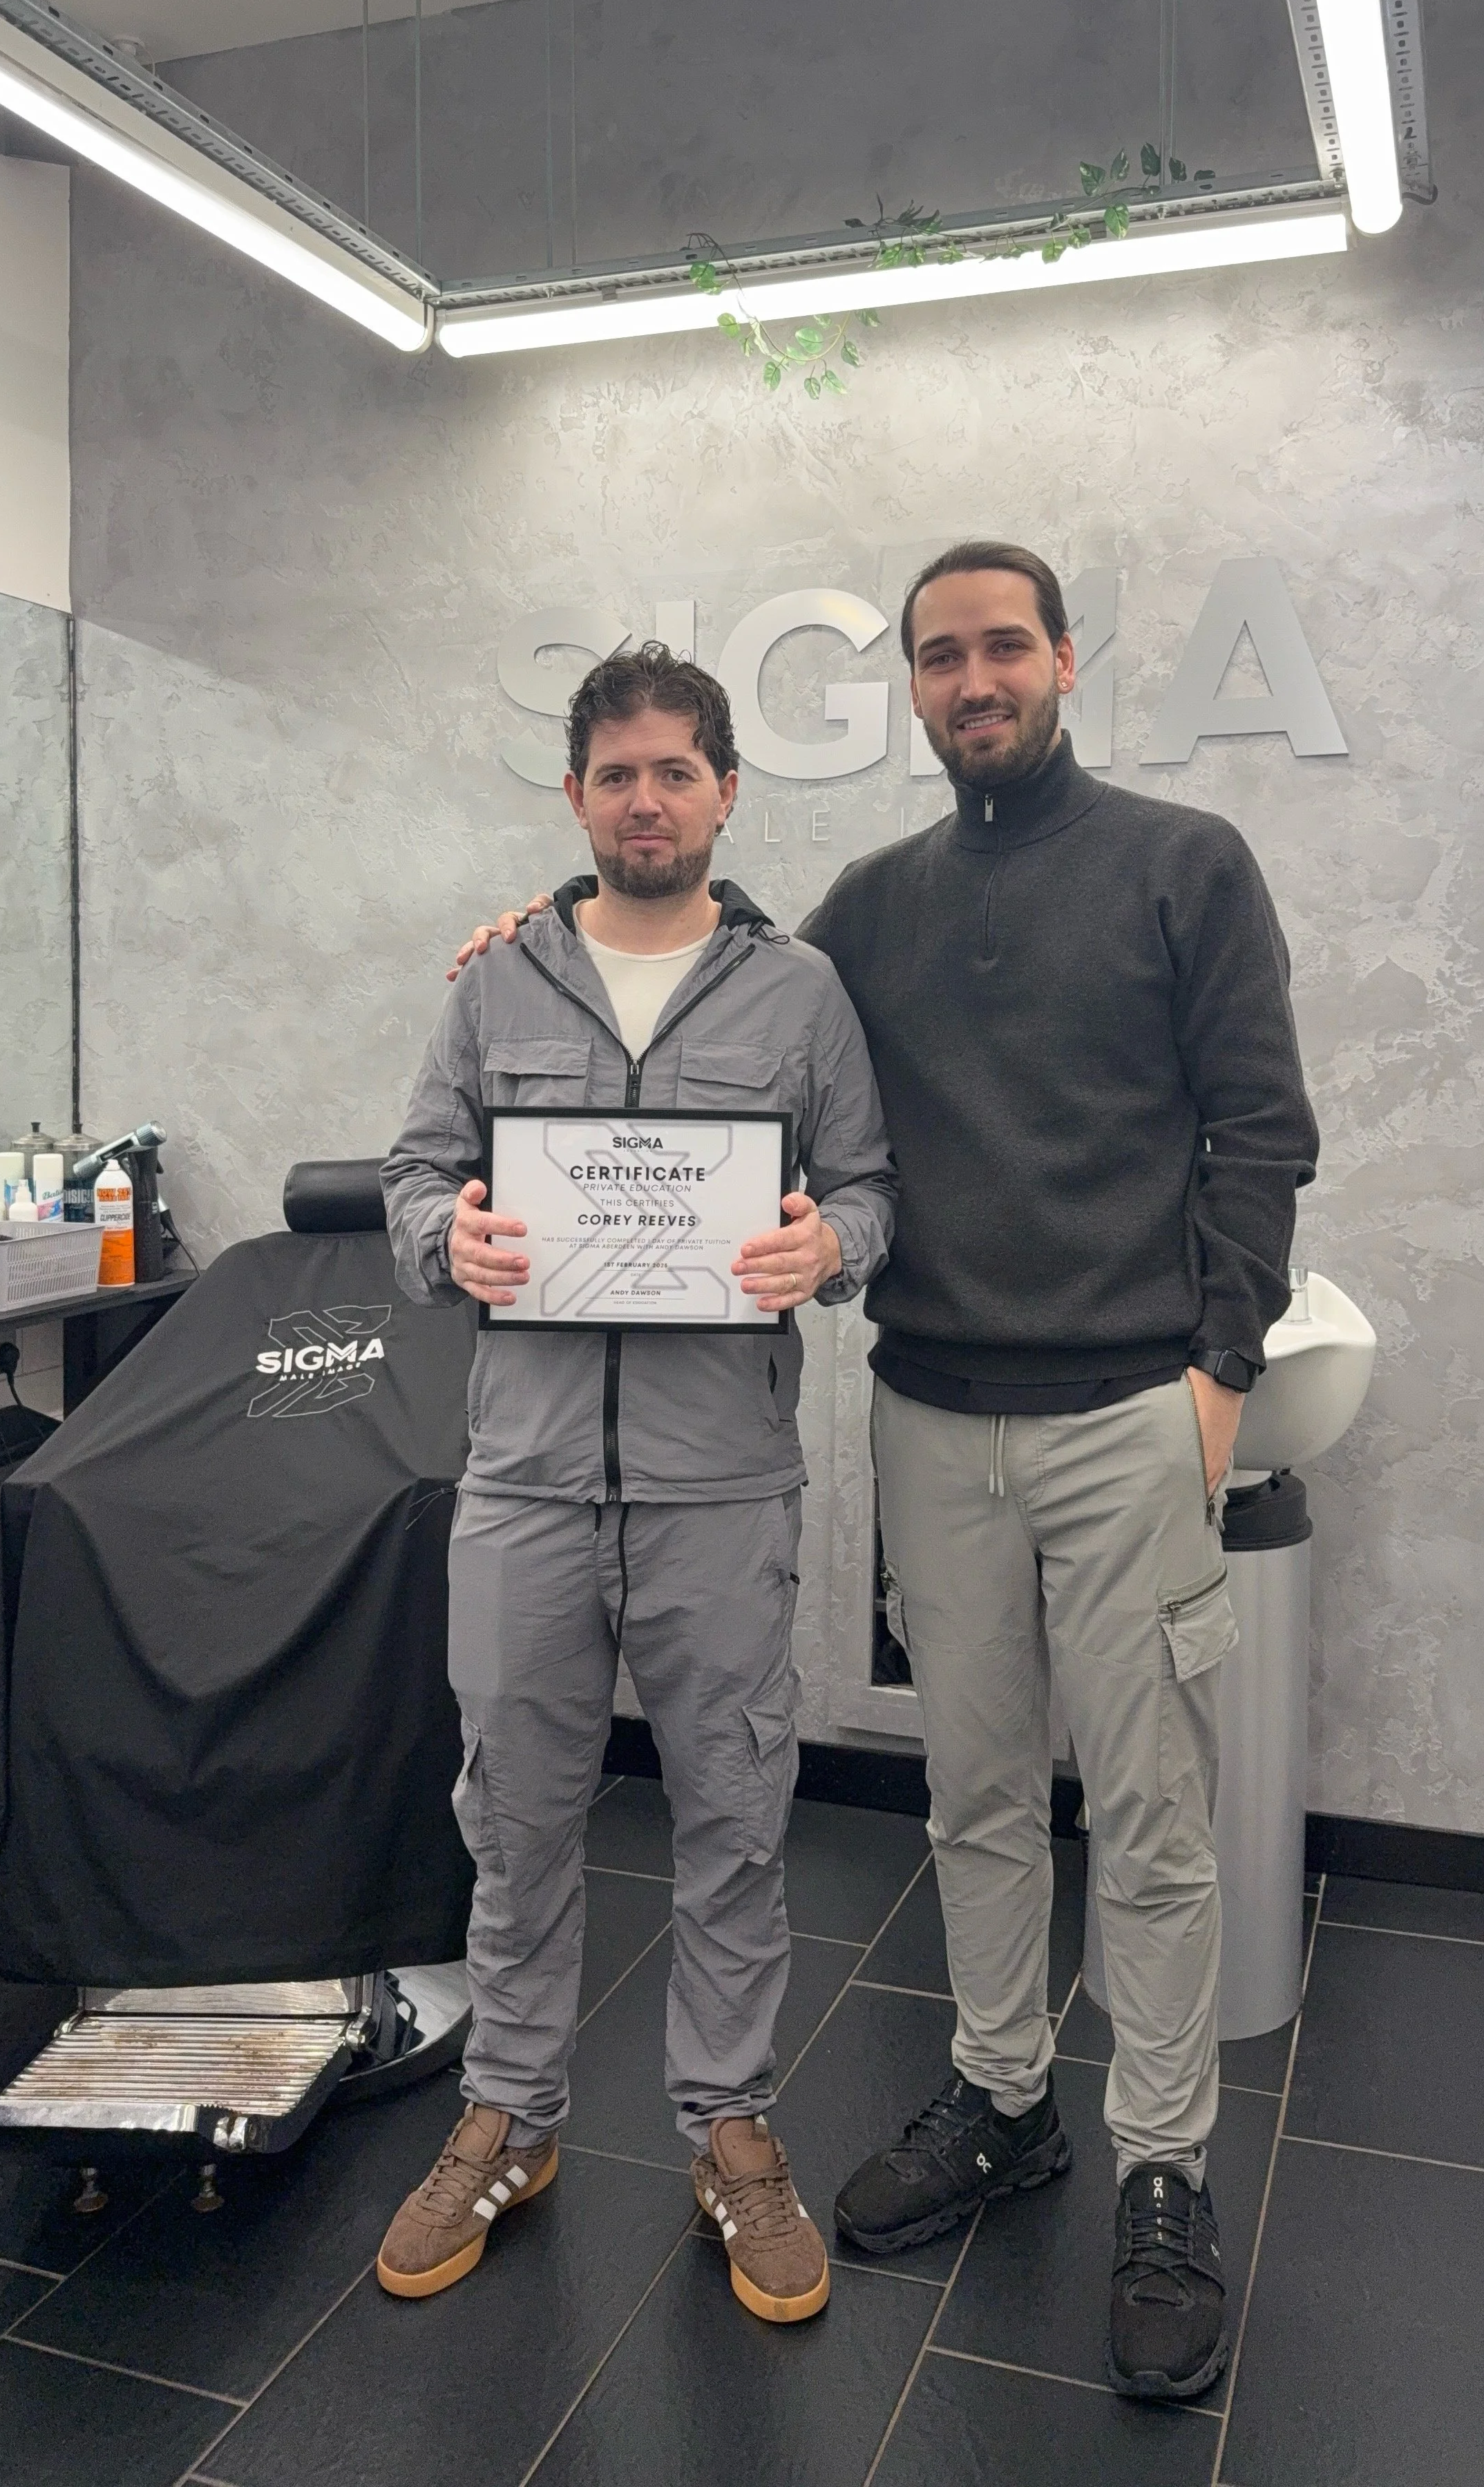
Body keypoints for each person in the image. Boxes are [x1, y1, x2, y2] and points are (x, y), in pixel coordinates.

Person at [453, 542, 1318, 2403]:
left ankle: (1162, 2169)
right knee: (978, 1797)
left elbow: (1261, 1129)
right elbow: (703, 972)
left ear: (1062, 662)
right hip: (927, 1412)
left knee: (1151, 1819)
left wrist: (1218, 1377)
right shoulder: (869, 903)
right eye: (940, 655)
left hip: (1122, 1420)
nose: (972, 677)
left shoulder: (1184, 866)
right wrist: (530, 931)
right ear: (911, 691)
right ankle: (1005, 2100)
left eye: (1001, 645)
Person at [378, 641, 896, 2325]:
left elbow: (873, 1195)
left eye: (679, 769)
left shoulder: (800, 994)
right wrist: (443, 1236)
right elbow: (411, 1178)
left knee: (734, 1819)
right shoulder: (494, 983)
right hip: (522, 1482)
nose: (648, 798)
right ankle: (508, 2116)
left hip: (720, 1486)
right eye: (618, 773)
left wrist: (831, 1245)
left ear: (726, 791)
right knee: (513, 1819)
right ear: (578, 794)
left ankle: (731, 2127)